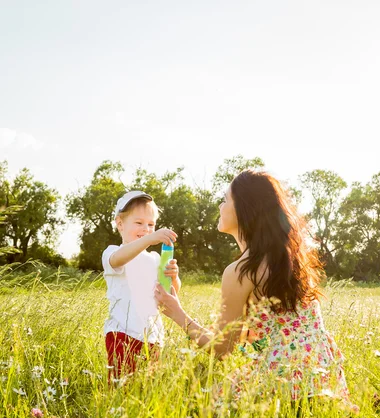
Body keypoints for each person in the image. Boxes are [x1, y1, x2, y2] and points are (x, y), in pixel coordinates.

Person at [155, 169, 350, 402]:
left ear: (244, 209)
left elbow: (222, 350)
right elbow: (275, 328)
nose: (220, 206)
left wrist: (177, 313)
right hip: (324, 382)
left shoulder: (240, 271)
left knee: (199, 401)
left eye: (225, 199)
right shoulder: (289, 258)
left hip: (283, 386)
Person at [102, 190, 180, 380]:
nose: (146, 228)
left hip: (152, 336)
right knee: (121, 386)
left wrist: (174, 278)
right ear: (120, 224)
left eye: (151, 224)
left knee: (147, 388)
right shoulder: (113, 252)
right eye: (139, 223)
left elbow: (167, 294)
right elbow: (118, 260)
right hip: (122, 333)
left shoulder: (155, 259)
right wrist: (150, 239)